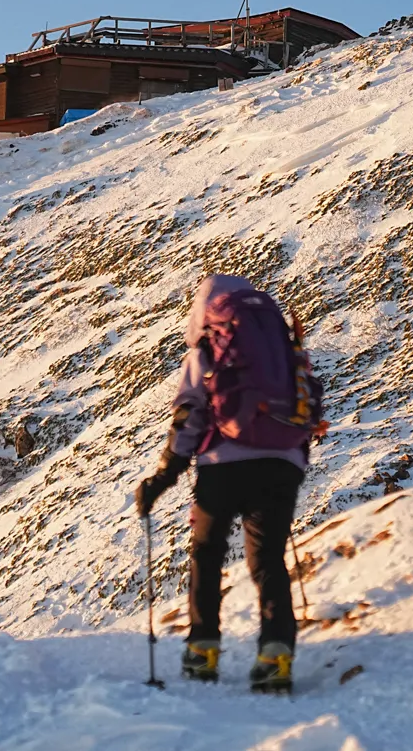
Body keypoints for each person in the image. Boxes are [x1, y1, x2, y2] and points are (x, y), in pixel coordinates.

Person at [134, 274, 323, 693]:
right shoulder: (282, 348)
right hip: (282, 464)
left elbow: (190, 412)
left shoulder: (208, 347)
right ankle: (276, 653)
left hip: (223, 465)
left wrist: (165, 475)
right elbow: (305, 403)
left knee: (206, 552)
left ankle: (203, 650)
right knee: (268, 560)